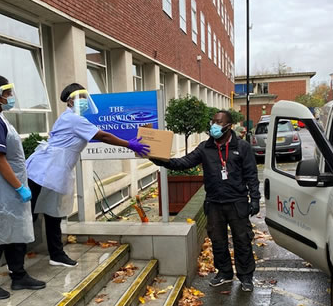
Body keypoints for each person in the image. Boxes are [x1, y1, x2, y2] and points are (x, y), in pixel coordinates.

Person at [26, 83, 150, 267]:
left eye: (85, 97)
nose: (83, 101)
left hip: (54, 171)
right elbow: (103, 136)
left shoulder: (73, 118)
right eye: (79, 97)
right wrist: (129, 144)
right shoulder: (73, 119)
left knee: (54, 212)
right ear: (70, 101)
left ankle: (56, 254)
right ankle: (16, 265)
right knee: (30, 215)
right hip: (42, 171)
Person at [150, 110, 261, 292]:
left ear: (228, 126)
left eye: (218, 122)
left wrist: (255, 199)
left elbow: (251, 175)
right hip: (214, 203)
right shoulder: (205, 148)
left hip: (237, 202)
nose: (214, 125)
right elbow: (184, 162)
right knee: (217, 241)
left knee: (242, 240)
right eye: (213, 122)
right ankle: (224, 273)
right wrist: (160, 160)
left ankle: (246, 276)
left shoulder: (242, 147)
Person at [0, 74, 46, 300]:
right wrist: (20, 188)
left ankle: (19, 275)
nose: (11, 97)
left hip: (8, 184)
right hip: (0, 185)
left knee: (14, 230)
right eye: (7, 93)